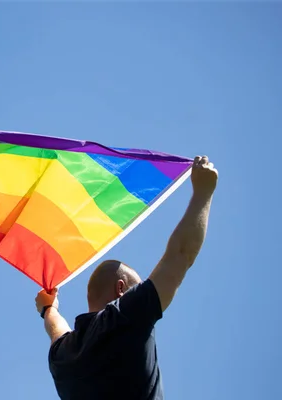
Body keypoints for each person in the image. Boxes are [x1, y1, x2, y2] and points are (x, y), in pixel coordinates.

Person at [35, 155, 218, 400]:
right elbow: (180, 256)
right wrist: (204, 192)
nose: (143, 292)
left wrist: (48, 309)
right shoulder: (126, 316)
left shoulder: (63, 356)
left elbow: (55, 328)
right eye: (138, 288)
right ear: (122, 289)